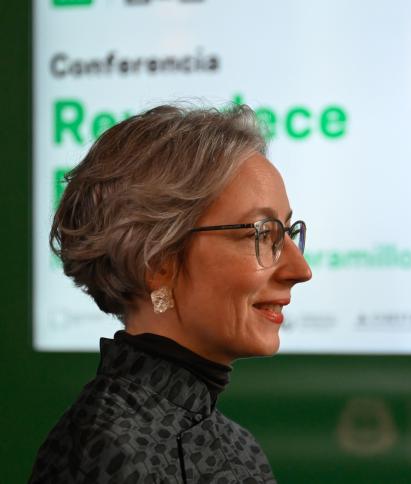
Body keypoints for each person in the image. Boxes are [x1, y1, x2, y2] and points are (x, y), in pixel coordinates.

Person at [30, 104, 312, 482]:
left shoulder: (238, 444)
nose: (300, 270)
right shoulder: (109, 452)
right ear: (158, 261)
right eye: (261, 234)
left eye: (289, 234)